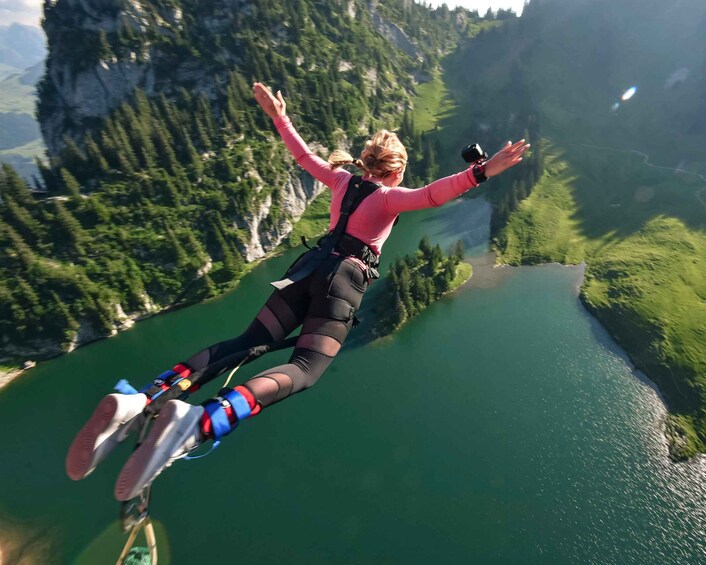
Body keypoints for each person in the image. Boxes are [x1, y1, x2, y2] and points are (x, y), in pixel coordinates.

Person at [66, 82, 529, 501]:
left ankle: (141, 401)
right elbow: (431, 194)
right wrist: (482, 172)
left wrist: (278, 116)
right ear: (395, 170)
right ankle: (197, 422)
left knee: (244, 343)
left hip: (305, 269)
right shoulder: (389, 198)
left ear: (366, 161)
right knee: (305, 368)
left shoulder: (342, 181)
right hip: (342, 282)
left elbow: (303, 156)